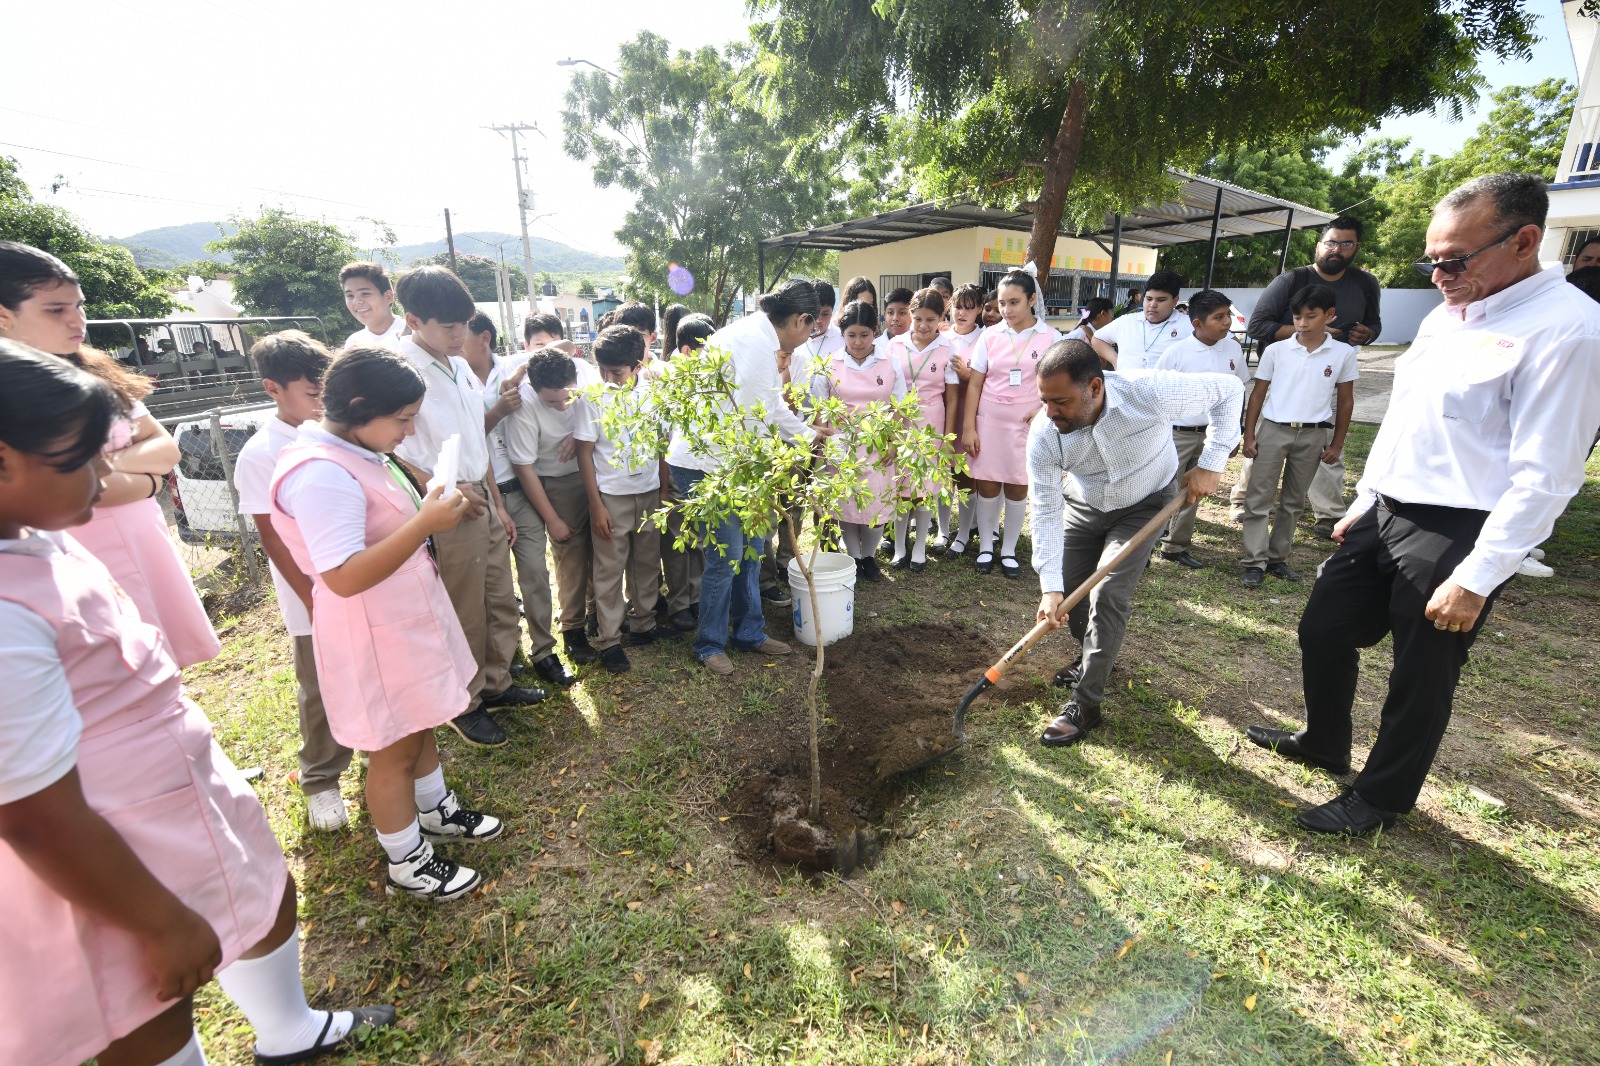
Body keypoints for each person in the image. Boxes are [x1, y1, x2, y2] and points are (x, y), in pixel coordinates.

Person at [0, 341, 394, 1066]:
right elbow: (32, 814)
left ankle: (289, 1028)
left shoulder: (36, 538)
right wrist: (157, 921)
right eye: (80, 458)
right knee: (145, 1006)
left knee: (262, 901)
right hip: (102, 833)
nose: (105, 474)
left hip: (171, 783)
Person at [1247, 173, 1600, 835]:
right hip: (1389, 508)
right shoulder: (1448, 315)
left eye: (1454, 260)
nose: (1439, 275)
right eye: (1430, 260)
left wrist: (1478, 574)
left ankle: (1381, 797)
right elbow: (1408, 417)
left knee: (1422, 670)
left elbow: (1548, 473)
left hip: (1463, 524)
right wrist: (1367, 498)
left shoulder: (1569, 330)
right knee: (1323, 627)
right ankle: (1325, 741)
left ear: (1525, 241)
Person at [271, 347, 507, 899]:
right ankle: (408, 861)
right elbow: (344, 576)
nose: (410, 429)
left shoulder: (358, 451)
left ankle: (435, 809)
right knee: (394, 747)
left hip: (402, 618)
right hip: (373, 630)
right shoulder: (320, 474)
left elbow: (381, 523)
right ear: (358, 407)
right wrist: (425, 520)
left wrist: (427, 502)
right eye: (402, 419)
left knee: (421, 720)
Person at [0, 241, 220, 669]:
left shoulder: (93, 370)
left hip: (143, 537)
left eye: (79, 306)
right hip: (74, 551)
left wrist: (101, 470)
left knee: (162, 670)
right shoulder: (12, 394)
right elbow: (67, 487)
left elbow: (165, 445)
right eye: (55, 309)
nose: (76, 319)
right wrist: (149, 481)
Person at [1030, 341, 1244, 746]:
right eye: (1044, 400)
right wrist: (1050, 586)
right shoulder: (1045, 433)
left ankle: (1086, 703)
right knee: (1073, 595)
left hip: (1145, 505)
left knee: (1108, 591)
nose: (1050, 412)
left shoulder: (1149, 390)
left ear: (1095, 387)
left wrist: (1213, 462)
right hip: (1084, 504)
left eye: (1060, 401)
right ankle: (1090, 655)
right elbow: (1043, 508)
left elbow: (1230, 390)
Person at [392, 267, 544, 750]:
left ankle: (497, 683)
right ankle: (466, 701)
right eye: (449, 326)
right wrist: (443, 489)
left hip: (481, 488)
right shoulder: (399, 367)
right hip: (443, 496)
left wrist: (498, 503)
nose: (460, 335)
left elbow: (476, 431)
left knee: (499, 595)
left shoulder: (455, 363)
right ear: (414, 319)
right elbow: (390, 448)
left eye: (464, 324)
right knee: (463, 605)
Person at [666, 279, 823, 675]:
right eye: (811, 327)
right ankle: (709, 644)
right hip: (708, 465)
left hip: (736, 463)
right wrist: (802, 443)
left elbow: (766, 406)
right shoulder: (754, 342)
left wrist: (810, 435)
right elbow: (759, 416)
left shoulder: (759, 333)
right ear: (801, 320)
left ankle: (749, 632)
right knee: (728, 555)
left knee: (754, 545)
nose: (808, 337)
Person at [233, 330, 355, 832]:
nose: (323, 402)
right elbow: (274, 540)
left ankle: (375, 751)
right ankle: (321, 781)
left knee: (364, 675)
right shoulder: (261, 453)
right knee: (319, 688)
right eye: (312, 393)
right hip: (314, 598)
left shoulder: (334, 433)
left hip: (354, 586)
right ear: (272, 389)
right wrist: (315, 599)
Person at [1241, 216, 1383, 536]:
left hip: (1332, 372)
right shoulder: (1290, 280)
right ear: (1319, 245)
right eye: (1331, 242)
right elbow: (1258, 327)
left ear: (1356, 248)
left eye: (1346, 244)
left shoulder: (1364, 284)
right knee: (1264, 443)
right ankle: (1244, 500)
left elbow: (1374, 325)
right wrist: (1317, 330)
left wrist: (1366, 333)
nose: (1337, 249)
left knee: (1329, 444)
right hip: (1284, 373)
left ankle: (1328, 512)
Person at [460, 314, 574, 689]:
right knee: (493, 583)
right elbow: (469, 439)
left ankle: (544, 650)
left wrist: (525, 369)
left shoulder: (510, 366)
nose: (453, 339)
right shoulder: (454, 375)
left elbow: (565, 349)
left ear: (484, 338)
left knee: (535, 574)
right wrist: (498, 411)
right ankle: (504, 658)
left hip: (518, 486)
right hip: (479, 490)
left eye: (460, 333)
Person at [1238, 284, 1358, 588]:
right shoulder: (1277, 350)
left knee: (1293, 501)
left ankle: (1277, 558)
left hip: (1313, 435)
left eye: (1311, 316)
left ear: (1329, 315)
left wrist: (1337, 443)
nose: (1303, 324)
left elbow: (1345, 400)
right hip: (1274, 430)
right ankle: (1253, 561)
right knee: (1258, 498)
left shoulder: (1342, 353)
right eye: (1297, 317)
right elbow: (1258, 394)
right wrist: (1249, 434)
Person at [574, 325, 676, 673]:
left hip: (648, 493)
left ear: (637, 365)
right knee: (609, 568)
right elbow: (584, 453)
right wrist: (597, 505)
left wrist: (663, 490)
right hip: (612, 498)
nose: (608, 378)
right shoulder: (592, 397)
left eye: (616, 372)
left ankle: (643, 623)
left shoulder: (653, 394)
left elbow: (663, 446)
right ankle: (609, 639)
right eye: (602, 369)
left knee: (647, 562)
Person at [505, 349, 603, 668]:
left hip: (598, 469)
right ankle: (573, 629)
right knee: (571, 554)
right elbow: (525, 468)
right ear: (534, 389)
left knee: (601, 547)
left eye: (568, 398)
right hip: (555, 479)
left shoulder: (586, 373)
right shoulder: (523, 406)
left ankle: (597, 614)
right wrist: (553, 519)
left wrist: (579, 432)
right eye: (552, 402)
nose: (562, 406)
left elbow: (602, 410)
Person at [960, 267, 1061, 578]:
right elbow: (975, 383)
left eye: (1014, 302)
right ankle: (986, 547)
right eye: (1002, 303)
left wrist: (1044, 409)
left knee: (1018, 487)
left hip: (1027, 425)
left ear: (1031, 300)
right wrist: (968, 427)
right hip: (989, 422)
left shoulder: (1050, 337)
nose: (1006, 310)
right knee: (988, 486)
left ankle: (1008, 549)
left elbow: (1061, 384)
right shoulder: (990, 336)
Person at [1152, 289, 1250, 569]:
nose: (1227, 322)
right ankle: (1145, 546)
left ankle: (1175, 546)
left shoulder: (1232, 347)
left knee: (1193, 491)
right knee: (1162, 489)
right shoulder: (1176, 353)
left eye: (1228, 315)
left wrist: (1234, 431)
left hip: (1212, 435)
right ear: (1197, 323)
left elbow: (1239, 390)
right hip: (1176, 433)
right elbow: (1156, 394)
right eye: (1218, 317)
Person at [813, 300, 908, 580]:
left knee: (876, 505)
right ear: (842, 334)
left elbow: (901, 406)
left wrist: (893, 442)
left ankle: (870, 556)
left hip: (878, 445)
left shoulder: (890, 362)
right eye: (851, 335)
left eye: (864, 335)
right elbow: (819, 408)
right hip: (841, 445)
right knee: (846, 505)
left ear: (875, 331)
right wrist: (828, 440)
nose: (857, 342)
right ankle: (855, 557)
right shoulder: (830, 365)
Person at [884, 288, 960, 570]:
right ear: (910, 315)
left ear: (943, 316)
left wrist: (947, 439)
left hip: (932, 421)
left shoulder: (947, 348)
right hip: (900, 421)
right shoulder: (895, 345)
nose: (923, 326)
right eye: (917, 319)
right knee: (901, 485)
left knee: (925, 487)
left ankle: (919, 548)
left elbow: (951, 397)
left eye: (931, 319)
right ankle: (900, 545)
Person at [656, 314, 714, 630]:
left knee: (703, 540)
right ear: (689, 350)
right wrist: (664, 490)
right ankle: (679, 603)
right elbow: (663, 441)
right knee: (680, 541)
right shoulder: (669, 381)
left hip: (707, 471)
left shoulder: (712, 376)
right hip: (678, 473)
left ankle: (699, 598)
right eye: (708, 347)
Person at [941, 282, 988, 553]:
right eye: (958, 306)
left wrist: (969, 376)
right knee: (944, 473)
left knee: (966, 475)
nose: (962, 313)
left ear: (979, 310)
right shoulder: (943, 337)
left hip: (971, 416)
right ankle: (943, 530)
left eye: (969, 308)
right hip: (945, 413)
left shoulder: (986, 338)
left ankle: (964, 533)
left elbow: (992, 380)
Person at [1090, 270, 1191, 371]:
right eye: (1149, 299)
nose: (1152, 305)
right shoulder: (1127, 321)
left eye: (1161, 300)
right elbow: (1097, 339)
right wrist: (1115, 361)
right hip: (1126, 385)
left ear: (1175, 301)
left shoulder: (1189, 326)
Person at [341, 261, 408, 351]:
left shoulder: (412, 335)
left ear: (388, 297)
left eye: (365, 294)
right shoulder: (354, 344)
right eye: (350, 296)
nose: (356, 302)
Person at [878, 286, 913, 351]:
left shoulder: (919, 347)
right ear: (885, 315)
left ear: (912, 315)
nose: (895, 318)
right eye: (890, 313)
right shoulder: (874, 347)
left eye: (902, 313)